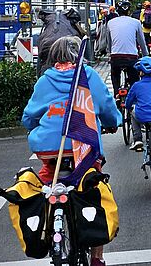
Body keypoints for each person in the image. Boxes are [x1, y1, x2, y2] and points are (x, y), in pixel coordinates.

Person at [22, 36, 122, 266]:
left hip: (50, 150)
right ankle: (97, 258)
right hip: (82, 148)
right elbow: (106, 108)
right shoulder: (89, 77)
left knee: (44, 185)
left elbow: (29, 117)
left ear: (53, 56)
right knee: (94, 192)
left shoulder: (45, 81)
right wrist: (113, 121)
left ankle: (47, 224)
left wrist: (36, 125)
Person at [106, 0, 148, 98]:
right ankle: (133, 98)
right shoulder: (136, 22)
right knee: (134, 78)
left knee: (115, 75)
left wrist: (109, 54)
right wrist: (146, 55)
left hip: (116, 56)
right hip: (131, 56)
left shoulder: (110, 23)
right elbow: (141, 42)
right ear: (129, 11)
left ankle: (116, 94)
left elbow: (109, 42)